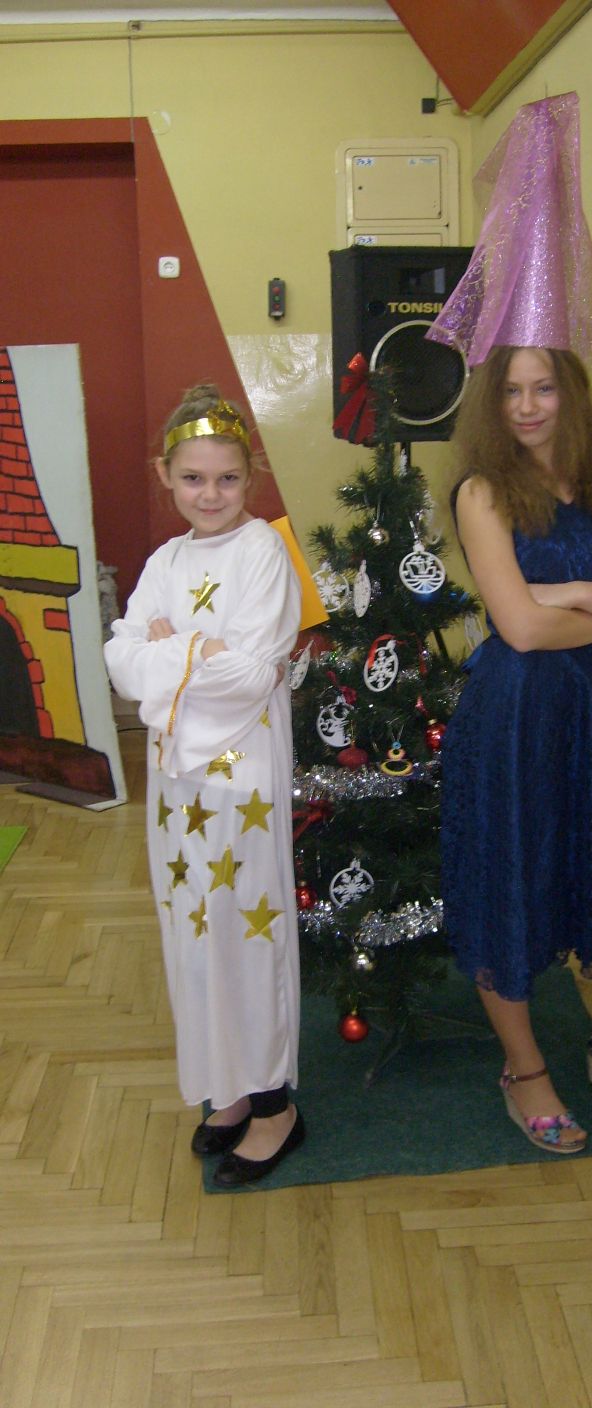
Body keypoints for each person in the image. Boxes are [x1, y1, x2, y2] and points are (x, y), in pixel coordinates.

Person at [441, 346, 592, 1154]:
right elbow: (519, 628)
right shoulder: (482, 492)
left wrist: (575, 593)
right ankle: (525, 1072)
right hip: (513, 716)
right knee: (511, 878)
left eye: (544, 387)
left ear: (570, 395)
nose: (527, 405)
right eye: (511, 390)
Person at [104, 384, 303, 1188]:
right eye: (192, 478)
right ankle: (228, 1086)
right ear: (166, 475)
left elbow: (251, 677)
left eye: (225, 479)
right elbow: (122, 660)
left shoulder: (263, 554)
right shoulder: (165, 562)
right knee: (193, 929)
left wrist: (172, 648)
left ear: (250, 478)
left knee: (247, 932)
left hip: (242, 783)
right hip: (177, 788)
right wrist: (199, 649)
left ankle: (275, 1105)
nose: (209, 495)